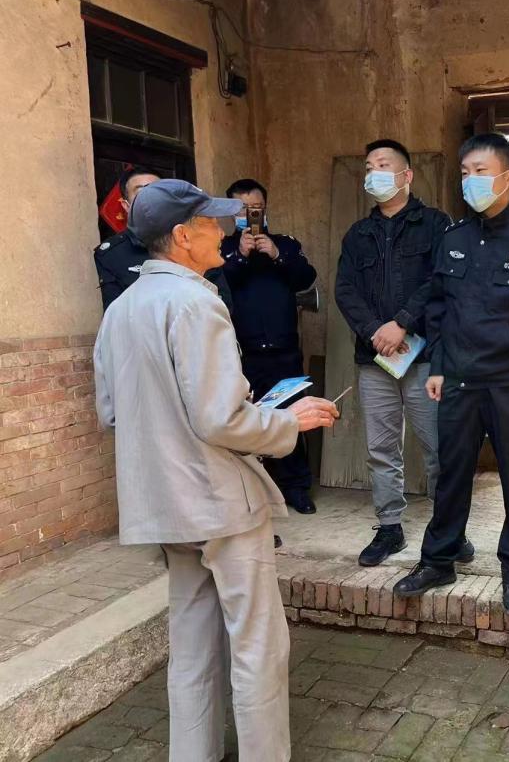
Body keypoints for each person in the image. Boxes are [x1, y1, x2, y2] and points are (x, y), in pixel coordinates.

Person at [93, 179, 339, 761]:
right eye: (209, 224)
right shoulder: (197, 302)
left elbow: (112, 412)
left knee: (192, 642)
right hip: (219, 500)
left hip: (164, 501)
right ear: (182, 237)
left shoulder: (122, 309)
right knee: (258, 645)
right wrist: (288, 422)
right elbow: (220, 418)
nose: (222, 233)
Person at [393, 133, 509, 614]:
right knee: (452, 472)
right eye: (465, 172)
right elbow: (439, 308)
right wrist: (437, 365)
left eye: (481, 172)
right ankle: (439, 559)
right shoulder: (453, 239)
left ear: (507, 177)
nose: (470, 181)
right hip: (459, 379)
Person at [336, 139, 476, 567]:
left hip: (424, 356)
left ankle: (449, 529)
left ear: (406, 175)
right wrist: (375, 331)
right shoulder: (358, 234)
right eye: (368, 167)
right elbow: (345, 290)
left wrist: (402, 323)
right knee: (381, 449)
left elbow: (441, 280)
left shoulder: (436, 225)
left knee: (438, 447)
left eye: (382, 165)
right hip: (374, 358)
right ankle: (390, 527)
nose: (373, 174)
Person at [221, 179, 319, 514]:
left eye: (256, 208)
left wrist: (276, 256)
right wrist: (240, 256)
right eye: (242, 209)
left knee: (291, 418)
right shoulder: (221, 249)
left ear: (265, 208)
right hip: (242, 355)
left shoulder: (285, 244)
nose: (250, 214)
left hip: (283, 351)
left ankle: (296, 487)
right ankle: (255, 493)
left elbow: (306, 277)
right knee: (246, 423)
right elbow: (217, 285)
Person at [93, 167, 232, 312]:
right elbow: (117, 313)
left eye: (159, 194)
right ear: (126, 206)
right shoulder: (112, 253)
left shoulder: (194, 240)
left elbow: (222, 300)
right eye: (142, 194)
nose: (153, 200)